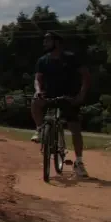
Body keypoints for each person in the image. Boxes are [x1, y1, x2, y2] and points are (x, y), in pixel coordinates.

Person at [30, 31, 91, 178]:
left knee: (75, 128)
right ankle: (39, 129)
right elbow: (37, 79)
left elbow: (86, 76)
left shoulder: (71, 58)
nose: (44, 43)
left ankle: (79, 162)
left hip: (68, 97)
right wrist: (38, 91)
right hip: (49, 96)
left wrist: (80, 95)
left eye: (47, 40)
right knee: (34, 102)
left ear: (56, 42)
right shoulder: (42, 60)